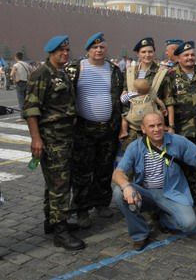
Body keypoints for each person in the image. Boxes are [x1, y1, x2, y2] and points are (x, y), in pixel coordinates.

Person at [112, 112, 196, 250]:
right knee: (118, 192)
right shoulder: (135, 147)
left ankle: (164, 219)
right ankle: (140, 234)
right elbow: (118, 173)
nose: (156, 129)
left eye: (159, 125)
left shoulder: (177, 141)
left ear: (164, 125)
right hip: (146, 193)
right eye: (151, 126)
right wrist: (126, 186)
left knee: (189, 224)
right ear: (143, 129)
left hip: (171, 193)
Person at [23, 35, 85, 250]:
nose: (65, 54)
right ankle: (60, 231)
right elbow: (31, 110)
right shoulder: (41, 74)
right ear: (51, 52)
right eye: (61, 51)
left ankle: (52, 221)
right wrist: (36, 139)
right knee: (60, 184)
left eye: (67, 50)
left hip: (66, 137)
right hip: (52, 139)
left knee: (56, 182)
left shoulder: (62, 73)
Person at [65, 33, 124, 228]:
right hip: (83, 129)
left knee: (104, 168)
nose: (98, 50)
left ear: (106, 49)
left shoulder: (114, 70)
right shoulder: (75, 68)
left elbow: (118, 96)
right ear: (88, 50)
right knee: (82, 171)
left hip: (108, 129)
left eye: (101, 47)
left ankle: (101, 203)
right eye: (94, 47)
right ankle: (81, 209)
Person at [167, 41, 196, 206]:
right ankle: (178, 198)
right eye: (186, 55)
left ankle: (194, 195)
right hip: (179, 130)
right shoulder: (170, 76)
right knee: (178, 165)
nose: (190, 58)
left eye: (192, 54)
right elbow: (168, 101)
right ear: (178, 57)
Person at [121, 37, 171, 150]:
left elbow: (167, 98)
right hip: (132, 125)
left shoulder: (162, 72)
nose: (147, 55)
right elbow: (124, 95)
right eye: (143, 52)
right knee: (131, 159)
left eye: (150, 51)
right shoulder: (130, 72)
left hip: (154, 126)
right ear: (138, 54)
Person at [10, 51, 31, 120]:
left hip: (20, 84)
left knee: (21, 100)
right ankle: (28, 115)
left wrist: (14, 80)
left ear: (16, 57)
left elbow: (11, 74)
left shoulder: (16, 65)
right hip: (27, 83)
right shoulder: (26, 64)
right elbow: (32, 72)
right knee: (26, 100)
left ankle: (22, 117)